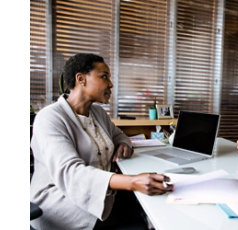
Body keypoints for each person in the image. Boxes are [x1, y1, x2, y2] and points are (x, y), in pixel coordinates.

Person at [30, 53, 173, 229]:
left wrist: (123, 144)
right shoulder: (50, 118)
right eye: (104, 77)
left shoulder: (97, 112)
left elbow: (119, 134)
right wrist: (132, 181)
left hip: (102, 194)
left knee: (148, 208)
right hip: (62, 203)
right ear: (81, 79)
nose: (111, 84)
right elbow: (71, 173)